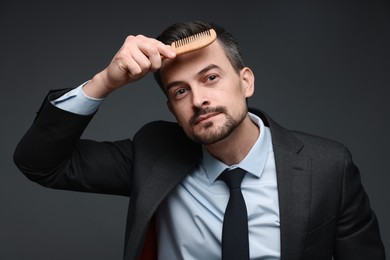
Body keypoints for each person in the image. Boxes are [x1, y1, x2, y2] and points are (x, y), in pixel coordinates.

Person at [14, 21, 385, 260]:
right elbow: (40, 163)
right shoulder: (154, 153)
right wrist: (106, 81)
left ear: (245, 82)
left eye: (210, 78)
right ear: (172, 107)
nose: (198, 100)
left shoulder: (327, 165)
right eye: (180, 91)